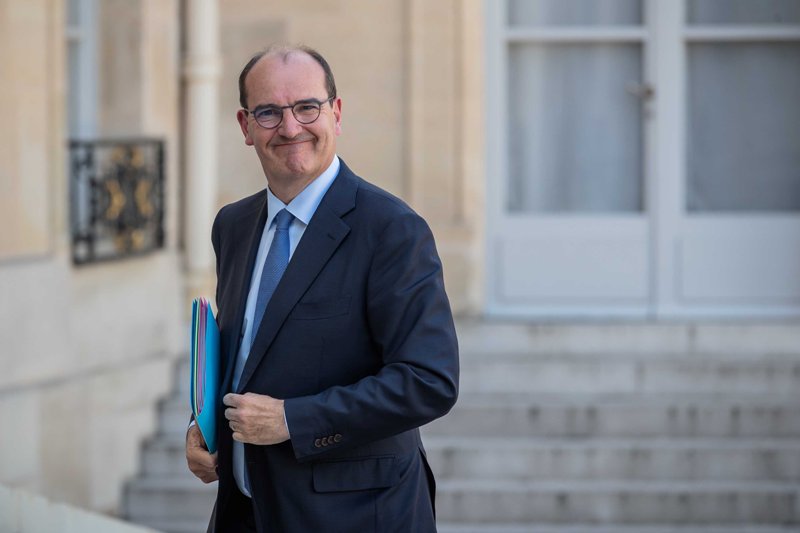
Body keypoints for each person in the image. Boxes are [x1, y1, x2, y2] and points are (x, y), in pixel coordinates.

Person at [185, 44, 459, 532]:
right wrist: (204, 427)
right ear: (246, 126)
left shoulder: (392, 229)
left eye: (307, 107)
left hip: (356, 516)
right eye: (268, 112)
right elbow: (247, 354)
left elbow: (428, 381)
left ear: (336, 113)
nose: (290, 128)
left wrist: (293, 420)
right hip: (245, 513)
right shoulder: (233, 225)